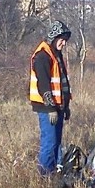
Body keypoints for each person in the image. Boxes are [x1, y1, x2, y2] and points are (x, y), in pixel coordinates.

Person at [29, 20, 72, 175]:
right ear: (54, 37)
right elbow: (44, 84)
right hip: (48, 109)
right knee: (50, 143)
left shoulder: (56, 55)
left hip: (58, 107)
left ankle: (53, 174)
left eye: (65, 41)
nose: (64, 43)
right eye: (61, 40)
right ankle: (44, 178)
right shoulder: (42, 56)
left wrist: (65, 107)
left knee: (56, 143)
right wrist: (50, 108)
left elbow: (62, 83)